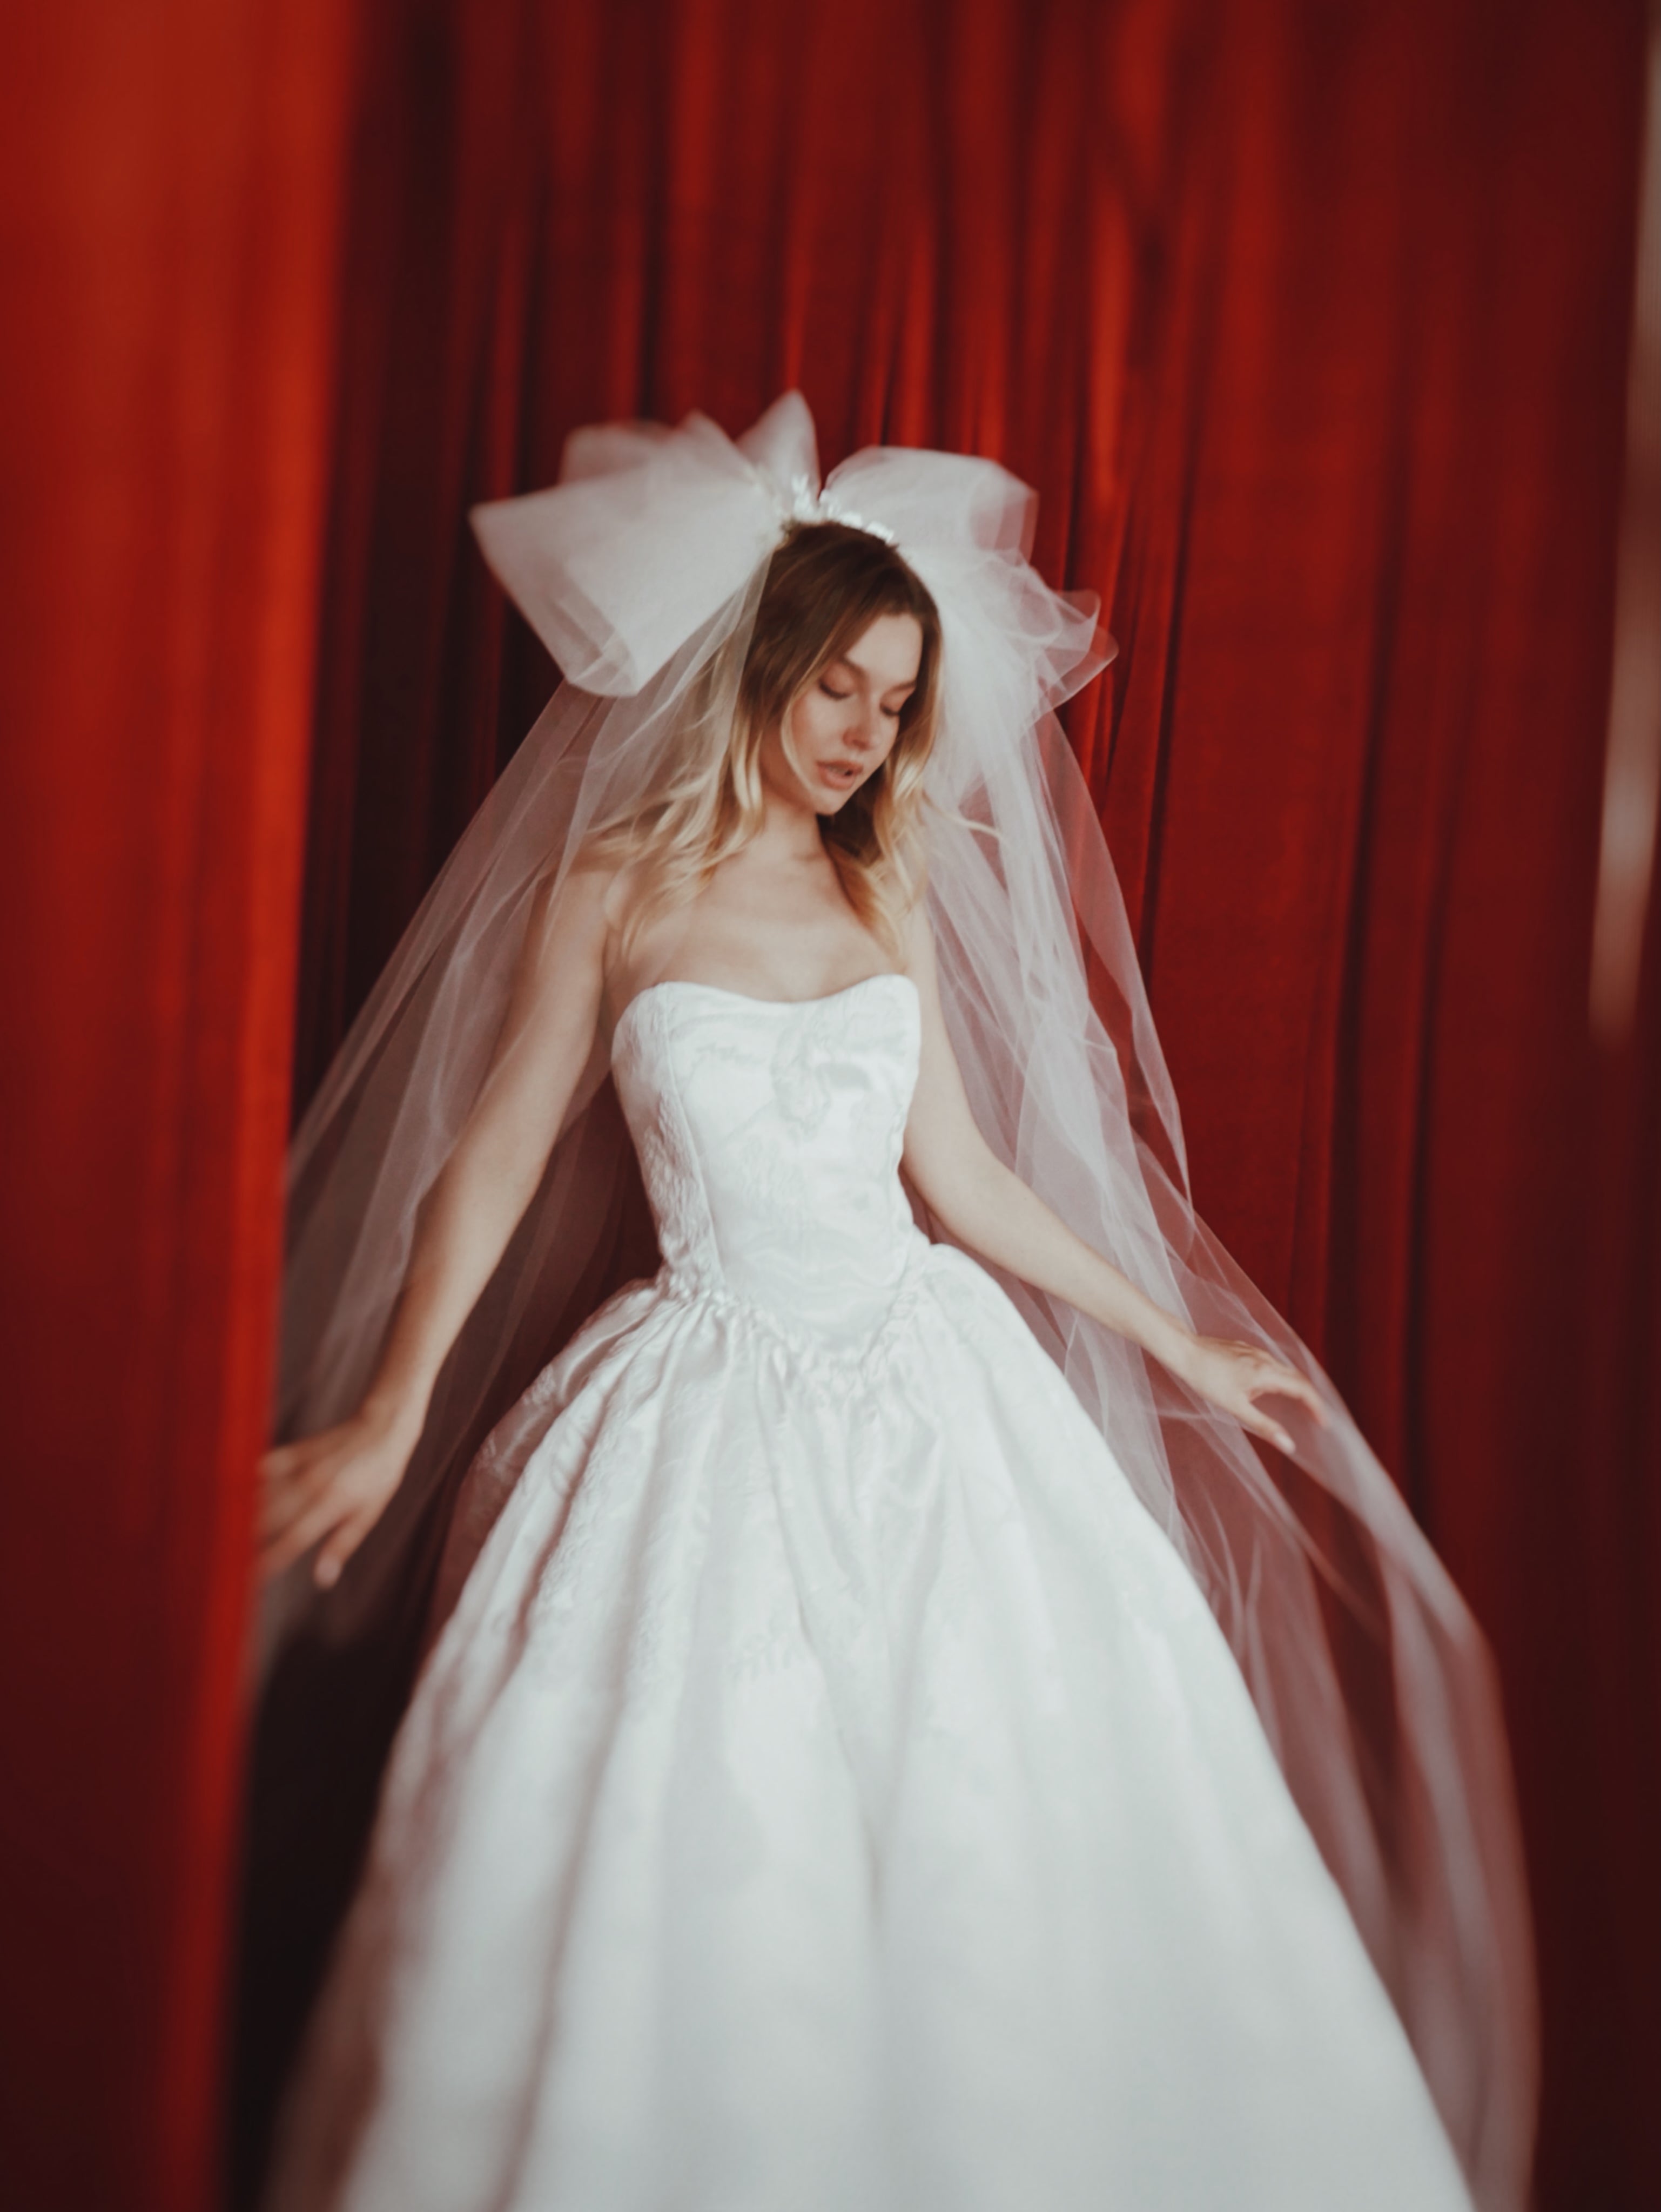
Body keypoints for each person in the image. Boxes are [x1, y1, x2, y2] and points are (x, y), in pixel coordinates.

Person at [251, 396, 1535, 2211]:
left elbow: (965, 1180)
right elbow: (496, 1159)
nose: (869, 733)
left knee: (998, 1837)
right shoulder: (608, 891)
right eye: (840, 686)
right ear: (760, 667)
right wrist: (389, 1410)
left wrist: (1173, 1338)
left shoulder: (891, 890)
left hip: (937, 1394)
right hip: (699, 1410)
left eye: (897, 698)